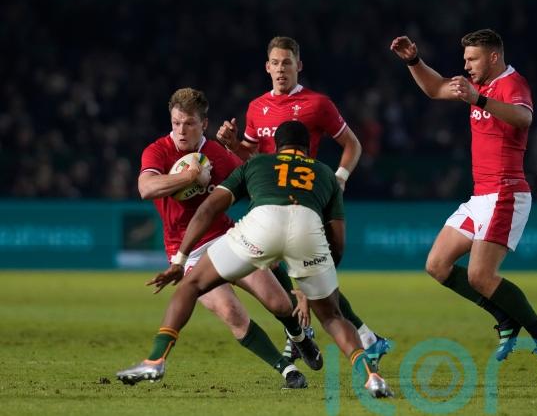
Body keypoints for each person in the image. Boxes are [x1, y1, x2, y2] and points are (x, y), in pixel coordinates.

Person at [116, 121, 393, 398]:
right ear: (307, 149)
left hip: (262, 226)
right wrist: (312, 287)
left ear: (277, 147)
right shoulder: (325, 174)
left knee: (191, 285)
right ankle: (372, 377)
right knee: (332, 317)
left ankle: (156, 360)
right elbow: (338, 241)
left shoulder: (258, 164)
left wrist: (180, 260)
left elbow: (208, 209)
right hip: (308, 229)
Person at [390, 29, 537, 384]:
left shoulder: (512, 83)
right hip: (481, 196)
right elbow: (435, 88)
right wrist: (414, 61)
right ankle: (505, 316)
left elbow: (523, 118)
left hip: (506, 193)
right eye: (465, 59)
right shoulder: (477, 86)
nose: (466, 65)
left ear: (493, 57)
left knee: (480, 276)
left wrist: (479, 99)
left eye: (472, 59)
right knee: (437, 265)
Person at [116, 87, 317, 389]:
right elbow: (146, 188)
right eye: (176, 123)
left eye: (189, 124)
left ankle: (299, 337)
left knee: (278, 303)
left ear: (204, 124)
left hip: (228, 240)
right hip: (188, 252)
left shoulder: (218, 155)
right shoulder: (158, 151)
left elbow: (257, 184)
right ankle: (286, 369)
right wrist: (188, 176)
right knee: (231, 312)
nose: (181, 130)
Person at [216, 36, 390, 365]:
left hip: (302, 201)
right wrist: (233, 144)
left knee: (298, 272)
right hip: (268, 200)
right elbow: (251, 159)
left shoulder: (317, 104)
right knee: (298, 274)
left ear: (299, 65)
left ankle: (302, 334)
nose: (281, 69)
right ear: (267, 67)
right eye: (275, 63)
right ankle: (364, 337)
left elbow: (352, 145)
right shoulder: (256, 107)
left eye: (287, 62)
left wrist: (339, 180)